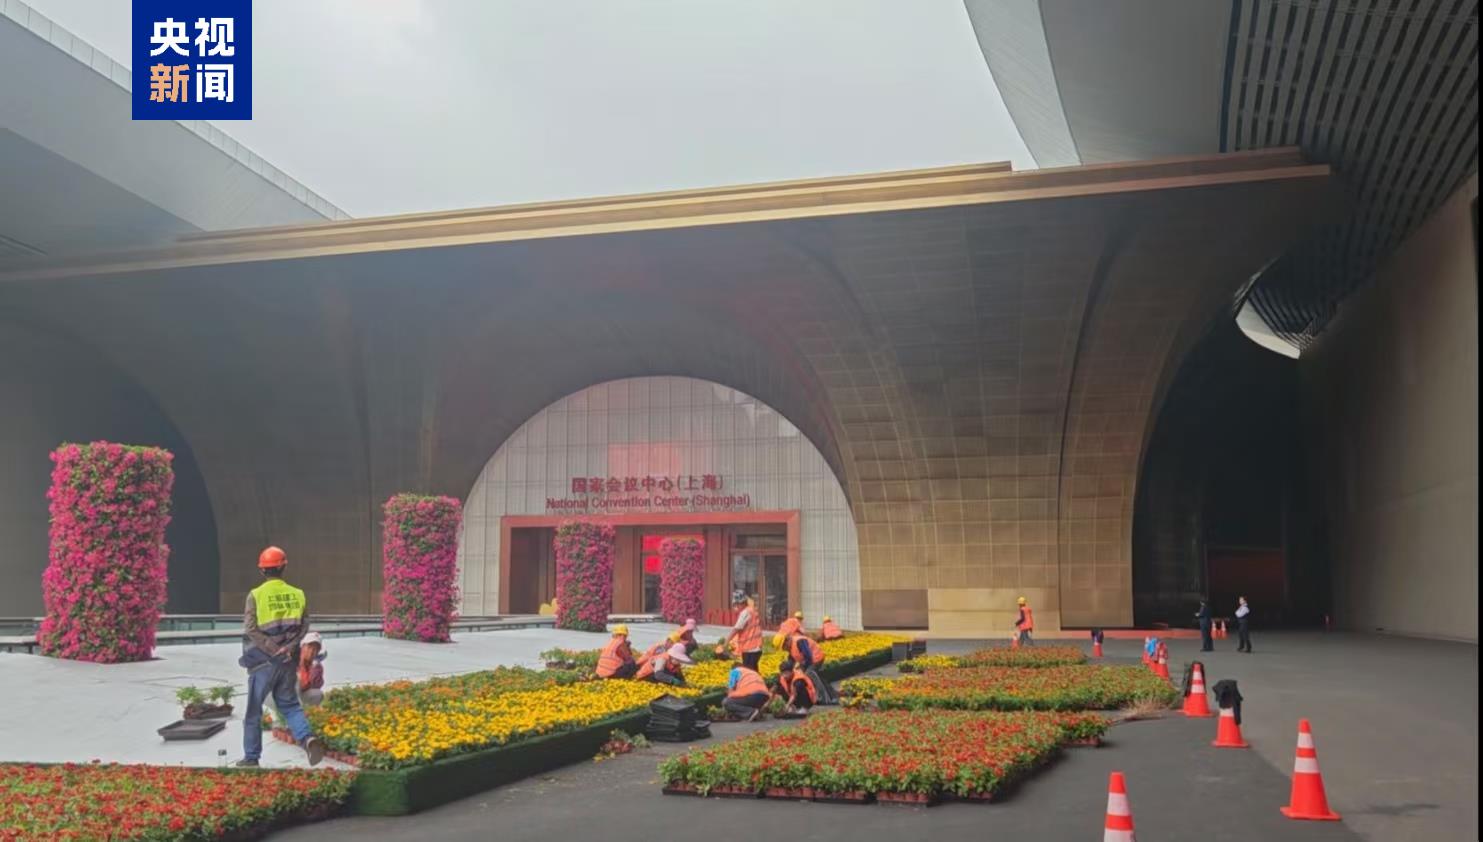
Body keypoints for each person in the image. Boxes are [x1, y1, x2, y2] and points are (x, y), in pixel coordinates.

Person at [238, 546, 325, 767]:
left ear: (262, 570)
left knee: (254, 711)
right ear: (283, 567)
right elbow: (304, 626)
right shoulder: (298, 594)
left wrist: (272, 648)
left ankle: (251, 757)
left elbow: (251, 629)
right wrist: (289, 647)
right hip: (288, 661)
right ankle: (307, 738)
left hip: (263, 663)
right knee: (290, 705)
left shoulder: (255, 595)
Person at [775, 629, 837, 706]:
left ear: (786, 641)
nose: (784, 649)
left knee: (810, 674)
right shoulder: (790, 647)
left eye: (784, 647)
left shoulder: (799, 641)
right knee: (813, 676)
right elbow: (791, 661)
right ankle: (832, 695)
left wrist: (801, 668)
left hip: (816, 658)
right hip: (808, 661)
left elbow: (808, 657)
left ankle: (826, 699)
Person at [719, 595, 763, 665]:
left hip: (749, 649)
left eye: (737, 604)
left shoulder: (745, 613)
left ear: (742, 603)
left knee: (748, 669)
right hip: (757, 647)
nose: (736, 607)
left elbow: (736, 629)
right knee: (753, 670)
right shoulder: (752, 610)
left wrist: (726, 643)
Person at [296, 631, 327, 707]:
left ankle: (306, 711)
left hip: (299, 696)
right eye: (309, 647)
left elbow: (316, 685)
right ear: (302, 646)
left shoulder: (317, 666)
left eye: (315, 649)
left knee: (318, 694)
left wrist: (314, 669)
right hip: (280, 696)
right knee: (296, 679)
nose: (312, 651)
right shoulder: (292, 659)